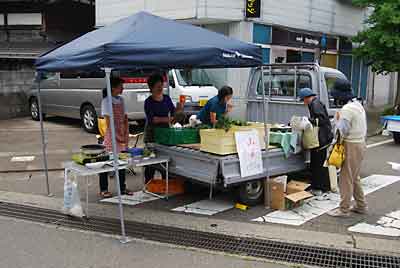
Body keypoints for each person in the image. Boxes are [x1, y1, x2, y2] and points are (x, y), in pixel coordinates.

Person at [328, 97, 368, 217]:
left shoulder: (347, 109)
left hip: (350, 144)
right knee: (354, 177)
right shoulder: (358, 106)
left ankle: (343, 209)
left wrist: (334, 146)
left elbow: (342, 130)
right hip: (360, 143)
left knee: (346, 178)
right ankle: (361, 206)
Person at [98, 77, 133, 198]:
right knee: (106, 163)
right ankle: (103, 189)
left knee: (122, 163)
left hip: (121, 133)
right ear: (113, 88)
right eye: (120, 86)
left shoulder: (121, 100)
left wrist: (125, 135)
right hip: (111, 135)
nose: (123, 88)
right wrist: (117, 136)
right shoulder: (106, 101)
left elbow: (125, 118)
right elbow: (108, 122)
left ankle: (122, 188)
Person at [143, 73, 181, 182]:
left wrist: (179, 109)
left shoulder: (167, 99)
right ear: (151, 88)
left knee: (165, 160)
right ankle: (148, 183)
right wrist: (168, 119)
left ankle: (165, 183)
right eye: (157, 86)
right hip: (152, 134)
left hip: (165, 133)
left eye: (161, 85)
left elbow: (174, 113)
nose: (160, 88)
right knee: (151, 162)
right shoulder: (148, 102)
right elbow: (152, 119)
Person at [299, 88, 333, 195]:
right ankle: (322, 186)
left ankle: (319, 187)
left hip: (321, 138)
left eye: (303, 100)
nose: (303, 102)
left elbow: (321, 120)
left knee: (317, 163)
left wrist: (308, 120)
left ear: (307, 97)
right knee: (319, 163)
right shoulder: (315, 103)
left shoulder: (315, 104)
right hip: (322, 137)